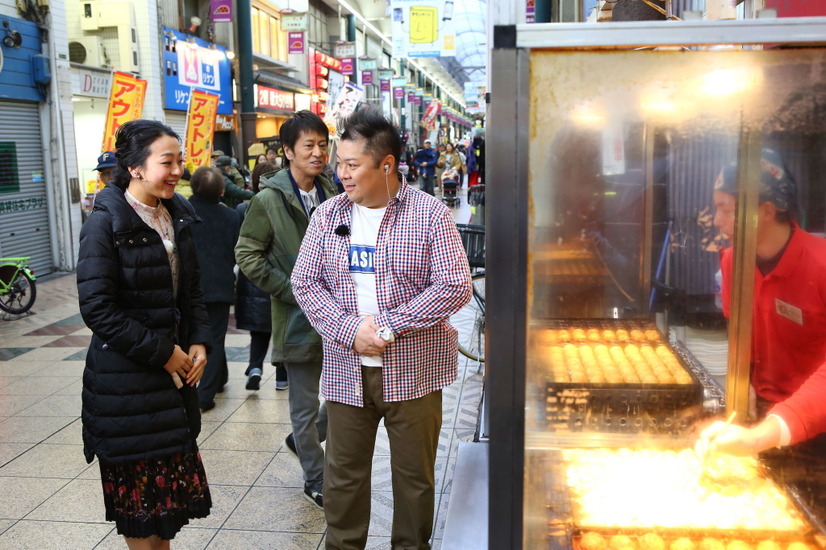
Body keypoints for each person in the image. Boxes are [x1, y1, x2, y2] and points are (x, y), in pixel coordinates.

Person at [291, 107, 472, 549]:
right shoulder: (328, 215)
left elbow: (455, 285)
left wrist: (388, 326)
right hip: (346, 373)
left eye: (353, 165)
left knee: (413, 480)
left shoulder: (429, 214)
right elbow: (305, 281)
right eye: (340, 163)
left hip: (415, 372)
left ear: (386, 165)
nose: (342, 174)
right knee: (343, 480)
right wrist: (350, 330)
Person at [77, 119, 212, 547]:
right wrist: (164, 353)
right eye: (166, 162)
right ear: (135, 167)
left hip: (170, 388)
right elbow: (98, 309)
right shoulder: (105, 223)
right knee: (141, 519)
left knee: (165, 519)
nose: (177, 172)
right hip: (126, 390)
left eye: (180, 162)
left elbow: (191, 291)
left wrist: (198, 341)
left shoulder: (176, 215)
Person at [235, 110, 336, 510]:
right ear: (289, 151)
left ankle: (303, 439)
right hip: (297, 317)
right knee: (304, 404)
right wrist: (290, 288)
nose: (318, 153)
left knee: (355, 391)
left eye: (323, 145)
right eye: (309, 146)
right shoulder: (268, 199)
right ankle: (315, 477)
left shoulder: (334, 190)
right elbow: (246, 253)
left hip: (341, 315)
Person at [697, 148, 826, 456]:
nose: (716, 220)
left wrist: (761, 436)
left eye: (726, 209)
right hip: (761, 414)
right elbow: (741, 332)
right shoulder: (733, 261)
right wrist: (743, 383)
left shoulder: (820, 265)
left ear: (766, 212)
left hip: (815, 419)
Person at [188, 166, 242, 411]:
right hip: (220, 285)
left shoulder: (183, 213)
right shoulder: (231, 217)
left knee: (196, 336)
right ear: (221, 190)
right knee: (216, 338)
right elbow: (236, 252)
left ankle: (205, 393)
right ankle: (216, 382)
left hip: (190, 287)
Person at [235, 161, 289, 392]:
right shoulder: (284, 207)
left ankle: (255, 367)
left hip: (253, 278)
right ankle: (281, 378)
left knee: (259, 330)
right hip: (278, 274)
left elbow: (240, 245)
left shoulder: (242, 208)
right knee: (281, 330)